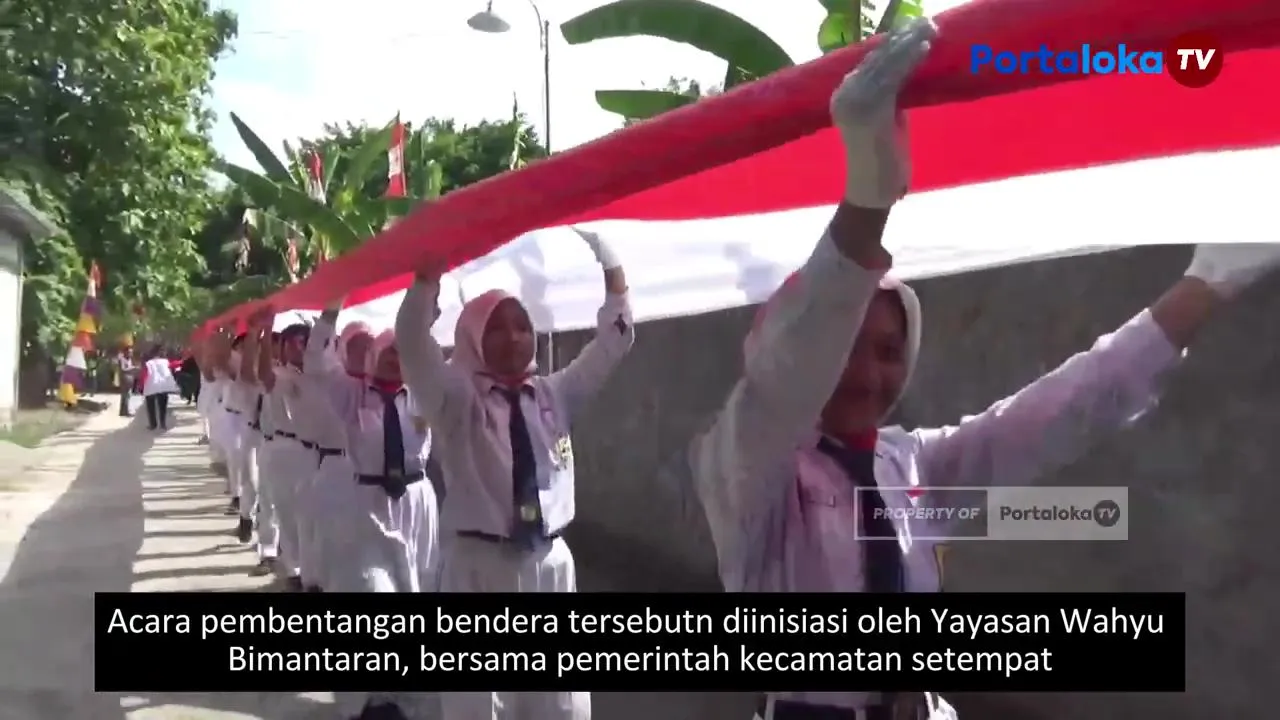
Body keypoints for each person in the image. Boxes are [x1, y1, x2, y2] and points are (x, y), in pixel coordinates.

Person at [685, 19, 1280, 720]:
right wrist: (868, 194)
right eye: (848, 346)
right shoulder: (750, 467)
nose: (868, 374)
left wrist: (1204, 286)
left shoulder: (910, 467)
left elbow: (1057, 411)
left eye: (888, 350)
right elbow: (788, 370)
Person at [396, 226, 633, 720]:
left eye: (522, 326)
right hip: (480, 569)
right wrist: (425, 283)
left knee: (560, 707)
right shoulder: (455, 400)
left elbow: (612, 343)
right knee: (482, 707)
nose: (513, 337)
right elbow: (413, 347)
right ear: (473, 338)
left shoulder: (553, 394)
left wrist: (611, 268)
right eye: (497, 328)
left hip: (549, 564)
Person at [298, 318, 376, 593]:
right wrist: (330, 314)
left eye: (370, 346)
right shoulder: (334, 380)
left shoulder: (381, 387)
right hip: (336, 468)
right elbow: (315, 355)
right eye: (357, 346)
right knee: (332, 540)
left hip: (372, 481)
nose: (365, 353)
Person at [250, 310, 313, 592]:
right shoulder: (278, 374)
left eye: (304, 342)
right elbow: (263, 373)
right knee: (285, 511)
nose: (299, 348)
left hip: (314, 451)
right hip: (283, 447)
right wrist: (266, 332)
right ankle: (294, 571)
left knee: (311, 513)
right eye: (293, 343)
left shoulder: (321, 375)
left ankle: (312, 570)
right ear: (283, 347)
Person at [239, 321, 280, 576]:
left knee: (275, 499)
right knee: (256, 488)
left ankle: (278, 551)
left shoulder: (290, 376)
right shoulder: (261, 378)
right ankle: (266, 548)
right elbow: (247, 372)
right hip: (256, 435)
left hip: (284, 443)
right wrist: (257, 333)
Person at [140, 345, 179, 430]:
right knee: (162, 406)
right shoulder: (165, 361)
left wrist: (141, 386)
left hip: (151, 386)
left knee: (151, 406)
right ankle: (163, 423)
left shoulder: (148, 363)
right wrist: (183, 361)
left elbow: (144, 375)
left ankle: (153, 424)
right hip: (163, 385)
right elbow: (173, 365)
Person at [117, 346, 137, 417]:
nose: (131, 354)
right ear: (125, 352)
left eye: (131, 352)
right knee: (126, 395)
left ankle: (123, 411)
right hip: (124, 379)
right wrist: (132, 368)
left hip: (129, 379)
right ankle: (126, 411)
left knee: (126, 395)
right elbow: (123, 369)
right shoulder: (122, 359)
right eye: (129, 352)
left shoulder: (129, 359)